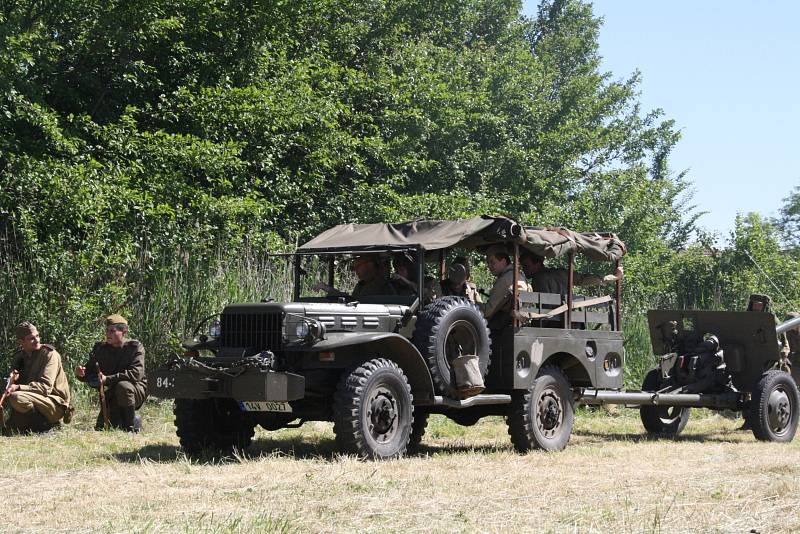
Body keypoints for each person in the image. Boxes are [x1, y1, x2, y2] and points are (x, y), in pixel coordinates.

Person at [75, 314, 147, 432]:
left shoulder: (134, 347)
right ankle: (127, 419)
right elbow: (92, 373)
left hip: (135, 389)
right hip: (111, 392)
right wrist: (81, 374)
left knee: (123, 386)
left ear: (124, 332)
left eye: (112, 331)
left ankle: (130, 427)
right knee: (103, 427)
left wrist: (107, 379)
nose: (108, 334)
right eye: (107, 331)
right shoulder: (100, 349)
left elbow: (136, 374)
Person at [3, 322, 72, 434]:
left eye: (37, 336)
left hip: (54, 403)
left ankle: (46, 427)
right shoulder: (19, 358)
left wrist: (18, 387)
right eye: (31, 338)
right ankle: (31, 425)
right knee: (10, 428)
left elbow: (45, 388)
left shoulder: (49, 354)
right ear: (21, 342)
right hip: (32, 399)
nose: (37, 340)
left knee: (17, 398)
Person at [520, 251, 623, 295]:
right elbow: (584, 280)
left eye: (526, 266)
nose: (524, 269)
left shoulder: (538, 279)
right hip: (568, 317)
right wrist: (613, 277)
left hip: (549, 321)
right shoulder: (562, 273)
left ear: (537, 264)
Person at [484, 244, 531, 330]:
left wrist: (473, 304)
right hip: (517, 323)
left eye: (492, 262)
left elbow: (488, 312)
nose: (489, 266)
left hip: (502, 327)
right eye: (488, 263)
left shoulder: (505, 279)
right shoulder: (519, 275)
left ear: (504, 261)